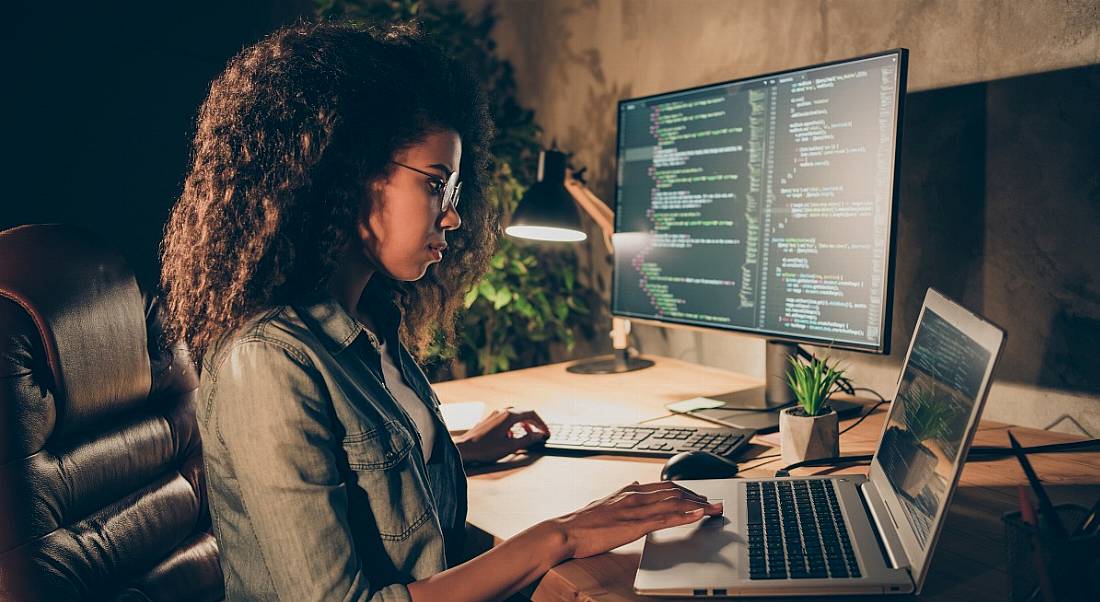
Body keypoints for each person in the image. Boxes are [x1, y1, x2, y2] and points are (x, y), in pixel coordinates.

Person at [159, 21, 722, 602]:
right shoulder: (269, 363)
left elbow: (369, 487)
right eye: (435, 185)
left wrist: (455, 451)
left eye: (452, 192)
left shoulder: (369, 325)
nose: (452, 216)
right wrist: (562, 534)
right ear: (345, 175)